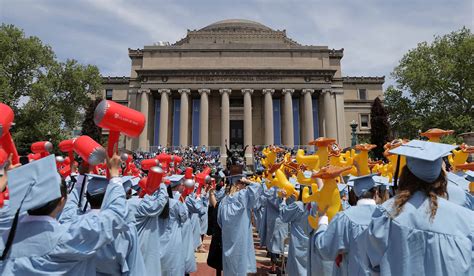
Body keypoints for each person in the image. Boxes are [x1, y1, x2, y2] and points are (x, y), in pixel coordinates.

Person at [0, 153, 129, 275]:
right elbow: (116, 215)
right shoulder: (69, 237)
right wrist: (115, 175)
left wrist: (5, 179)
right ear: (62, 201)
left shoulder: (5, 235)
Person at [366, 140, 474, 275]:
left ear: (405, 175)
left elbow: (373, 262)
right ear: (442, 177)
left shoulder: (387, 214)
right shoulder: (467, 220)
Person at [59, 173, 146, 276]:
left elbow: (69, 207)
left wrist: (81, 178)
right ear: (111, 197)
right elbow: (135, 268)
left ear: (88, 196)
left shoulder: (71, 223)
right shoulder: (124, 228)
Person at [314, 174, 384, 276]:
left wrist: (323, 221)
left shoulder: (344, 217)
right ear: (376, 192)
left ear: (355, 194)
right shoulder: (388, 216)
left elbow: (325, 249)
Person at [217, 175, 262, 275]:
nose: (245, 186)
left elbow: (219, 222)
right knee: (242, 264)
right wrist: (248, 181)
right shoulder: (243, 196)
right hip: (241, 236)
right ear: (238, 185)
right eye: (243, 184)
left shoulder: (223, 201)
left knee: (229, 268)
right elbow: (258, 187)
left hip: (228, 239)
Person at [127, 172, 169, 276]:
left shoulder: (131, 202)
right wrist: (162, 185)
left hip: (136, 241)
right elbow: (159, 203)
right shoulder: (141, 204)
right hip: (143, 242)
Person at [158, 176, 188, 276]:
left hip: (159, 239)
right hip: (174, 239)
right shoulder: (176, 203)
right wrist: (183, 202)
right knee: (174, 267)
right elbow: (184, 217)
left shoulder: (155, 204)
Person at [280, 188, 311, 276]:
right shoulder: (316, 205)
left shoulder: (298, 205)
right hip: (311, 240)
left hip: (298, 241)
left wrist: (284, 200)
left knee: (296, 268)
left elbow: (284, 216)